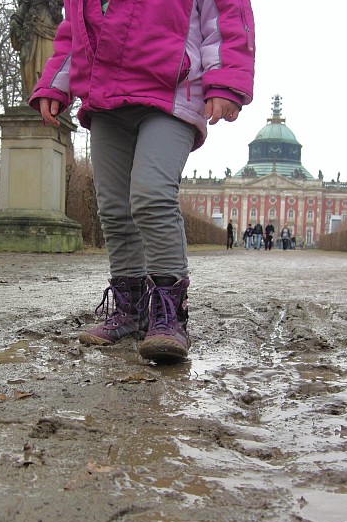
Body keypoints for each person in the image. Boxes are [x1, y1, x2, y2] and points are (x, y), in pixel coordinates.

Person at [29, 0, 255, 362]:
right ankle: (130, 310)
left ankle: (168, 315)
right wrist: (55, 84)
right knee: (114, 208)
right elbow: (74, 35)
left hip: (170, 93)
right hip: (105, 102)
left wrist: (226, 80)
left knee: (152, 195)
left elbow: (224, 15)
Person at [10, 0, 64, 99]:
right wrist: (16, 19)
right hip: (31, 26)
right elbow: (24, 5)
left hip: (49, 25)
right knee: (26, 59)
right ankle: (30, 95)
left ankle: (46, 95)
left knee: (48, 62)